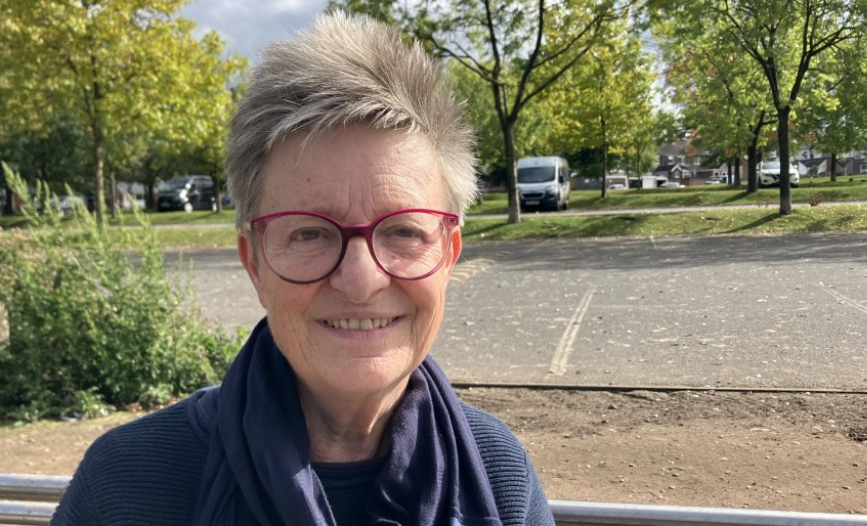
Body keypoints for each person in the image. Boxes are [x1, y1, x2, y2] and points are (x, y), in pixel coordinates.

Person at [51, 12, 554, 526]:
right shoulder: (126, 484)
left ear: (447, 255)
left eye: (404, 230)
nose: (361, 281)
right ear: (255, 263)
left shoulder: (499, 477)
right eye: (309, 232)